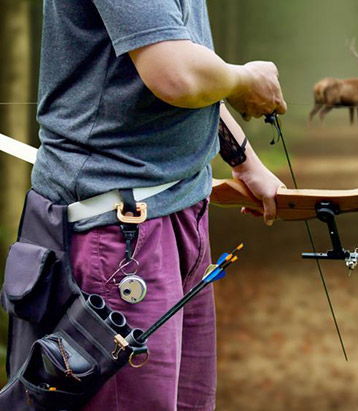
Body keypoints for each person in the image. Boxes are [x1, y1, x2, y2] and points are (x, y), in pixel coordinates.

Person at [28, 0, 285, 409]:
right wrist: (245, 79)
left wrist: (245, 161)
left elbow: (185, 54)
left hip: (176, 212)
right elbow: (175, 73)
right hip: (117, 234)